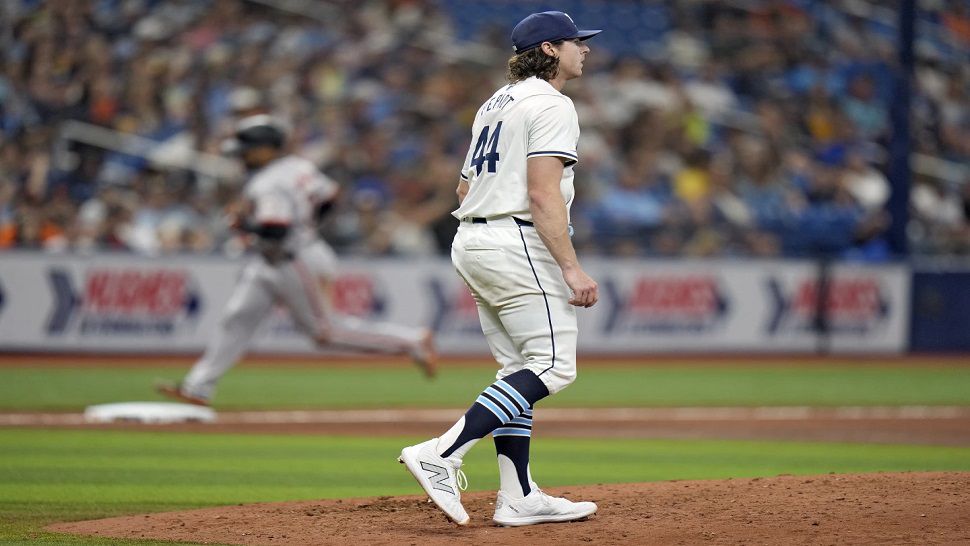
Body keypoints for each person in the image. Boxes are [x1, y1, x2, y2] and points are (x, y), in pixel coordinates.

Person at [398, 11, 601, 527]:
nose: (586, 50)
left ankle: (519, 495)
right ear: (551, 49)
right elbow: (541, 192)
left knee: (518, 369)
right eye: (577, 42)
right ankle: (442, 453)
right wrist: (571, 268)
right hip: (516, 240)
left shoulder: (496, 102)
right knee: (554, 365)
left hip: (473, 238)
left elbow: (464, 189)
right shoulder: (552, 103)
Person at [157, 114, 437, 406]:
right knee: (236, 319)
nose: (242, 156)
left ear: (267, 148)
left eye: (247, 149)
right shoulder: (299, 167)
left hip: (293, 260)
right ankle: (198, 386)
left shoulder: (268, 183)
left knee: (325, 333)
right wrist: (307, 224)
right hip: (279, 257)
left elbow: (275, 229)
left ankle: (412, 341)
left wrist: (242, 224)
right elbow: (330, 197)